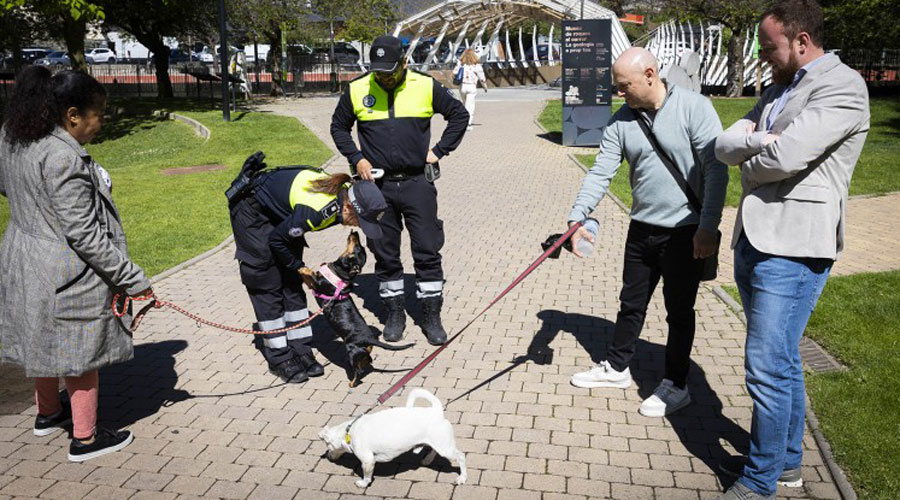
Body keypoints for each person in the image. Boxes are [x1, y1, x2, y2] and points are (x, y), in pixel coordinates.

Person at [712, 1, 870, 498]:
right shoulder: (781, 88)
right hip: (756, 238)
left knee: (765, 366)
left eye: (769, 46)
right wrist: (760, 141)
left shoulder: (843, 86)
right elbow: (725, 141)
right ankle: (786, 465)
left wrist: (752, 153)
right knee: (780, 362)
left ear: (802, 42)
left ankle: (759, 482)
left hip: (794, 248)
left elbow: (785, 156)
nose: (763, 56)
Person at [0, 67, 151, 462]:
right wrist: (133, 279)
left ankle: (48, 413)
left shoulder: (13, 134)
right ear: (71, 115)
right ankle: (85, 439)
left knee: (42, 338)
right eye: (98, 114)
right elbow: (84, 235)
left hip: (23, 256)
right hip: (65, 269)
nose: (101, 123)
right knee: (78, 349)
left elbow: (8, 184)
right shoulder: (62, 157)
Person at [567, 47, 728, 417]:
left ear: (651, 75)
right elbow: (600, 172)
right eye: (616, 86)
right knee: (631, 303)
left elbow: (716, 170)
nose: (618, 93)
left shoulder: (694, 108)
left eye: (624, 86)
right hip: (642, 228)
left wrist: (708, 227)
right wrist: (577, 217)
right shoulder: (622, 120)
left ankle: (676, 383)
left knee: (679, 310)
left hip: (686, 232)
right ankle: (617, 368)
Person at [330, 35, 469, 346]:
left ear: (404, 62)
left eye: (390, 70)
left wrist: (439, 151)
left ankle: (431, 316)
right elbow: (339, 126)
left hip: (417, 183)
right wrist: (357, 158)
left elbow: (459, 115)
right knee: (385, 253)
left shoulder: (424, 85)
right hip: (377, 188)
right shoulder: (357, 89)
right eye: (378, 71)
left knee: (427, 249)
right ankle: (395, 314)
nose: (384, 77)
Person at [228, 163, 388, 383]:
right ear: (350, 207)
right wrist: (299, 267)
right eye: (362, 221)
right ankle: (280, 358)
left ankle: (301, 351)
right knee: (267, 280)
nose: (361, 228)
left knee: (292, 283)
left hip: (280, 213)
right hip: (251, 210)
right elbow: (277, 240)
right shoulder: (317, 211)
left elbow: (284, 239)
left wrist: (296, 269)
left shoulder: (340, 198)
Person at [453, 49, 487, 131]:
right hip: (471, 86)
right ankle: (467, 123)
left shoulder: (461, 64)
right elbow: (482, 78)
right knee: (470, 106)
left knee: (464, 104)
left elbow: (454, 72)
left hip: (462, 86)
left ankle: (462, 120)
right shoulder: (476, 65)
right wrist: (485, 87)